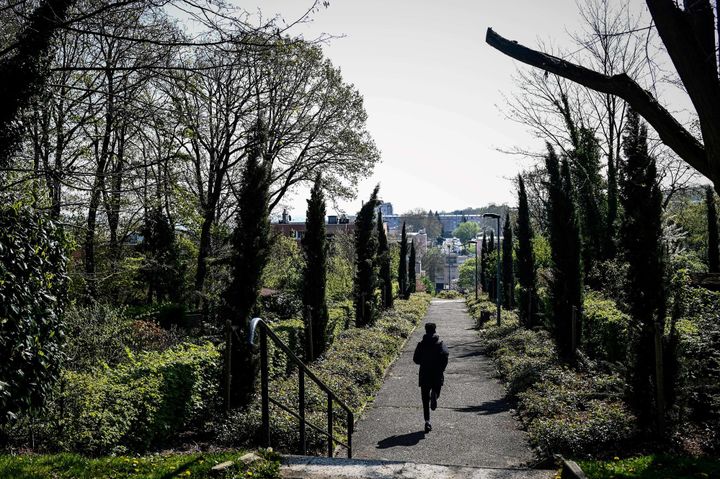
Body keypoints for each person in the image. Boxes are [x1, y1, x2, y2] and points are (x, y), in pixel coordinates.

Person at [412, 322, 449, 433]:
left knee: (424, 399)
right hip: (437, 373)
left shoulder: (421, 344)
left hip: (424, 374)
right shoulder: (440, 343)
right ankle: (435, 395)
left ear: (426, 330)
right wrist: (442, 368)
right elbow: (445, 355)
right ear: (435, 330)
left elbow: (415, 359)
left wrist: (423, 361)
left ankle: (427, 422)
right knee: (436, 389)